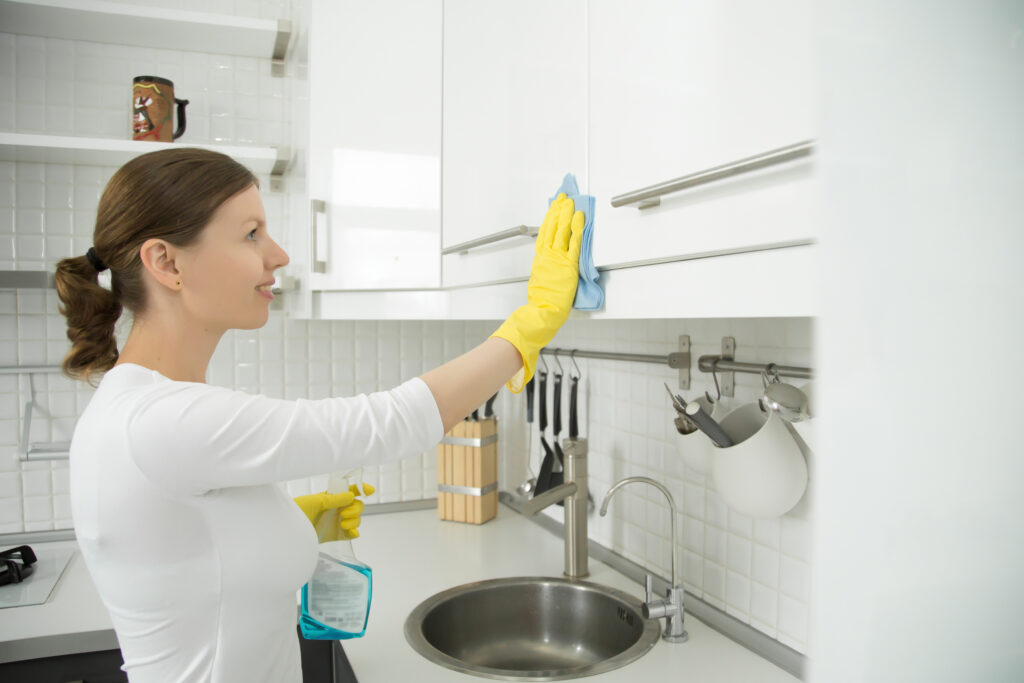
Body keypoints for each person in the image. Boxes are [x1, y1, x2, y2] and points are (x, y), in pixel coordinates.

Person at [54, 147, 583, 683]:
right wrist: (532, 322)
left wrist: (278, 522)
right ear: (166, 263)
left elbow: (190, 555)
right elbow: (390, 421)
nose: (278, 255)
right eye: (251, 234)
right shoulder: (161, 421)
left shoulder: (138, 405)